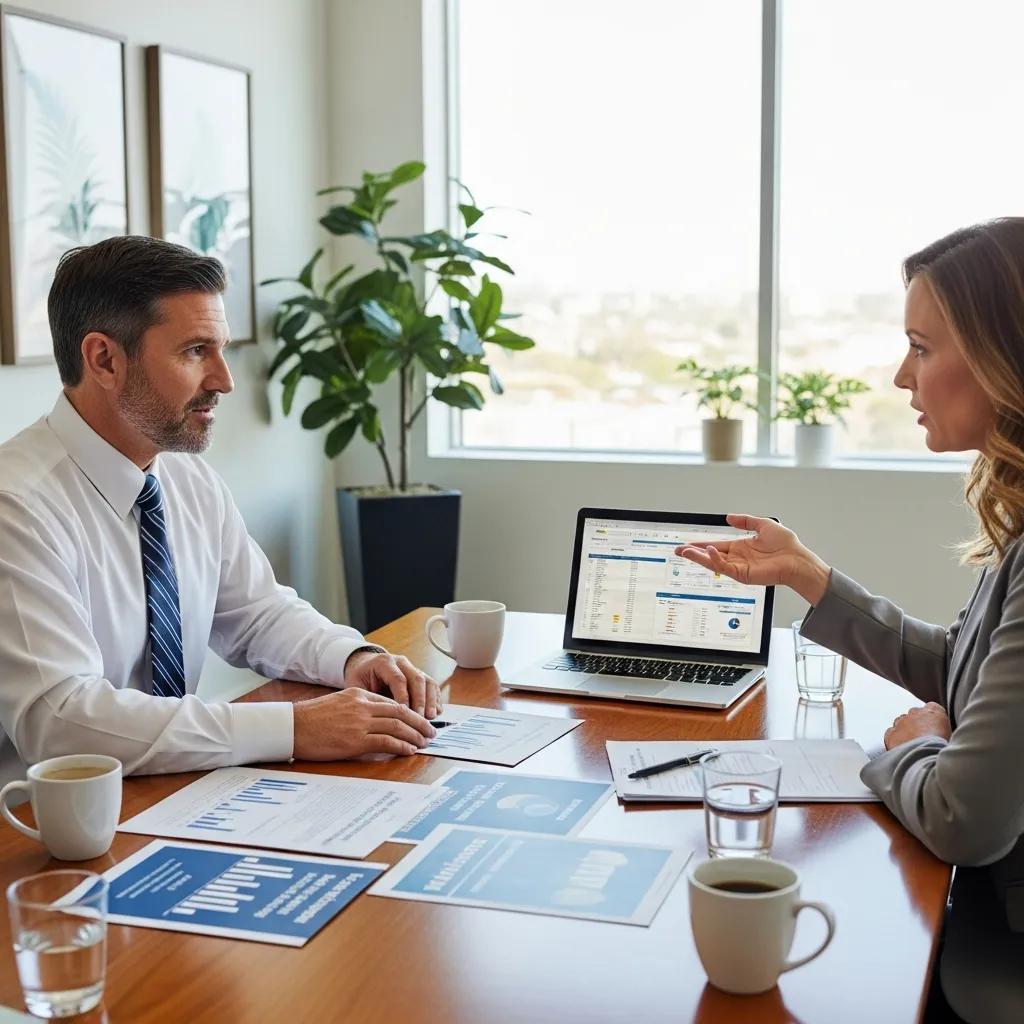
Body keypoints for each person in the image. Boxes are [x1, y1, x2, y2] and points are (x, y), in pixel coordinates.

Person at [676, 217, 1024, 1024]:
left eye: (923, 347)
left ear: (1006, 356)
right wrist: (809, 575)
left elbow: (963, 817)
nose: (903, 376)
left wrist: (914, 747)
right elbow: (960, 670)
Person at [0, 236, 441, 786]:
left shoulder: (184, 477)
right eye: (194, 351)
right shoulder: (16, 506)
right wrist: (295, 729)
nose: (224, 380)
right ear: (104, 360)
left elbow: (257, 613)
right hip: (37, 831)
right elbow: (63, 722)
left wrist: (351, 657)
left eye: (221, 349)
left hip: (173, 794)